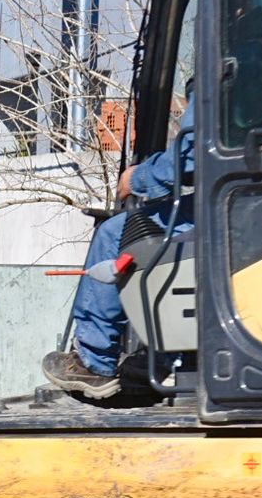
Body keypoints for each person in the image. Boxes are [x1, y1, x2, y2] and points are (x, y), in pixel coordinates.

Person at [42, 97, 194, 399]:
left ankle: (94, 361)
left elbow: (194, 152)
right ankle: (169, 356)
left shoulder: (232, 72)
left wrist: (137, 177)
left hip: (244, 207)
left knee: (114, 234)